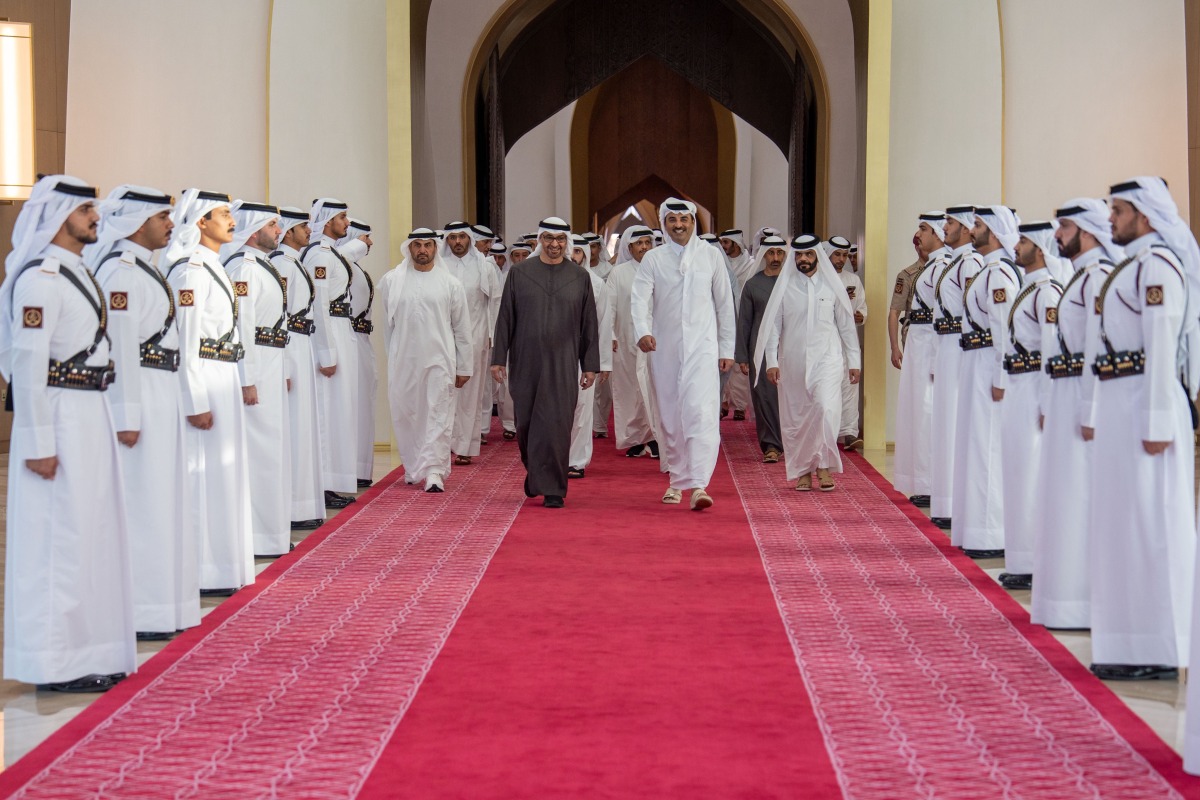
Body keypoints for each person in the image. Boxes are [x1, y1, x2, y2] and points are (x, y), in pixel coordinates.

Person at [0, 175, 135, 692]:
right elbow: (27, 365)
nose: (96, 217)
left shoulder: (77, 272)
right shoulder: (41, 280)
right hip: (57, 415)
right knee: (58, 538)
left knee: (88, 533)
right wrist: (38, 442)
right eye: (84, 210)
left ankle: (86, 650)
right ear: (57, 216)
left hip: (88, 411)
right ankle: (55, 663)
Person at [1088, 178, 1196, 682]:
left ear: (1145, 216)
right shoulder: (1131, 266)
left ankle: (1159, 645)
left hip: (1147, 407)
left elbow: (1160, 345)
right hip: (1122, 402)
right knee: (1125, 522)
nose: (1110, 218)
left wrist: (1156, 421)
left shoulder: (1158, 267)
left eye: (1119, 210)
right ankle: (1129, 640)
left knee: (1152, 524)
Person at [92, 185, 199, 639]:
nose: (171, 225)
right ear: (137, 222)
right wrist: (127, 415)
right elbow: (121, 348)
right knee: (143, 501)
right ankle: (140, 609)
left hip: (160, 390)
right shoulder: (121, 273)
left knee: (162, 500)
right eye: (162, 218)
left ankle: (162, 605)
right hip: (140, 397)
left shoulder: (143, 268)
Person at [1028, 199, 1121, 631]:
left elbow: (1098, 349)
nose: (1057, 235)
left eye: (1064, 226)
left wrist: (1090, 410)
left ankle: (1080, 600)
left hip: (1081, 399)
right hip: (1065, 395)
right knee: (1062, 495)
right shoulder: (1081, 276)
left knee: (1077, 497)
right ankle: (1064, 598)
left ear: (1086, 231)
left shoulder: (1098, 277)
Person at [163, 189, 254, 595]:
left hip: (224, 375)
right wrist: (194, 400)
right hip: (204, 378)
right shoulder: (190, 272)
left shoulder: (212, 266)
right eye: (223, 214)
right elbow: (185, 342)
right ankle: (201, 571)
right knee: (202, 476)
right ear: (201, 221)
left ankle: (223, 566)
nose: (232, 221)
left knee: (224, 475)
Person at [631, 199, 735, 510]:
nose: (678, 225)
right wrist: (642, 331)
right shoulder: (654, 258)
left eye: (684, 219)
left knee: (701, 413)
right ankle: (677, 481)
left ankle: (699, 484)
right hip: (664, 349)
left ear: (693, 222)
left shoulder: (711, 256)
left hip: (703, 349)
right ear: (664, 224)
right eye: (672, 219)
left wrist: (726, 348)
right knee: (671, 415)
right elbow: (639, 299)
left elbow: (725, 305)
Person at [491, 217, 600, 508]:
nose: (555, 244)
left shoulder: (579, 276)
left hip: (563, 361)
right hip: (525, 360)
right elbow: (505, 318)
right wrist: (499, 358)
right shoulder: (519, 273)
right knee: (526, 423)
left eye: (560, 239)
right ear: (540, 240)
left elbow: (589, 323)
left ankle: (553, 488)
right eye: (549, 238)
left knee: (557, 424)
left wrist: (590, 364)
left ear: (567, 242)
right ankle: (537, 472)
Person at [759, 235, 861, 490]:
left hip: (828, 360)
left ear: (817, 256)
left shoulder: (832, 285)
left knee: (825, 409)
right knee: (797, 419)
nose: (803, 259)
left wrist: (854, 361)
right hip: (792, 362)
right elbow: (773, 327)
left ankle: (823, 466)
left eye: (808, 254)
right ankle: (803, 470)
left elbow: (847, 326)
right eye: (799, 255)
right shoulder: (785, 287)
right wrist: (771, 361)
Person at [995, 221, 1064, 589]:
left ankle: (1035, 563)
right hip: (1019, 387)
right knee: (1018, 473)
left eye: (1023, 240)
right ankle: (1021, 558)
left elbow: (1052, 351)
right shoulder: (1029, 289)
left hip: (1034, 388)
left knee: (1030, 475)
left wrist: (1047, 403)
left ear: (1039, 248)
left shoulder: (1048, 293)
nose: (1016, 246)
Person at [222, 201, 292, 558]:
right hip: (257, 365)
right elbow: (242, 327)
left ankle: (272, 532)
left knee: (272, 449)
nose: (279, 231)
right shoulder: (243, 268)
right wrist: (246, 378)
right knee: (260, 451)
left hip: (271, 361)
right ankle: (257, 536)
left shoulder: (261, 265)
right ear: (253, 231)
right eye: (272, 225)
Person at [379, 229, 473, 492]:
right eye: (417, 245)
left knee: (438, 413)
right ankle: (413, 467)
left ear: (435, 248)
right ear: (409, 248)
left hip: (440, 360)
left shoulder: (450, 283)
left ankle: (434, 471)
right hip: (404, 360)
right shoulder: (392, 281)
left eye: (428, 245)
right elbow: (388, 327)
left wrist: (464, 366)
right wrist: (393, 360)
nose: (422, 250)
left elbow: (462, 329)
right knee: (407, 413)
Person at [952, 205, 1021, 558]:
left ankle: (991, 534)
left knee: (987, 448)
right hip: (975, 363)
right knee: (975, 446)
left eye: (978, 225)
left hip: (988, 367)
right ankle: (976, 530)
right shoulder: (987, 271)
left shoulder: (998, 275)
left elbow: (1004, 332)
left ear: (992, 232)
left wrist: (1000, 378)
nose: (972, 229)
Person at [929, 205, 985, 530]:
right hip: (947, 346)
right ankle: (946, 501)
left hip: (960, 347)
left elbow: (972, 312)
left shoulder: (971, 263)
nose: (945, 227)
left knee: (953, 423)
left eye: (950, 222)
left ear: (964, 228)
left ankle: (952, 502)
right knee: (945, 423)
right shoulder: (957, 262)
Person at [270, 207, 325, 530]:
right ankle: (293, 507)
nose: (309, 231)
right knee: (296, 428)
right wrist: (287, 365)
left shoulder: (293, 263)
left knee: (304, 427)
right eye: (304, 226)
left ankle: (304, 504)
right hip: (291, 347)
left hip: (302, 345)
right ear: (289, 231)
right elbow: (282, 316)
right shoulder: (281, 265)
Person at [303, 198, 358, 509]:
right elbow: (319, 306)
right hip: (329, 335)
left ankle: (333, 480)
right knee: (327, 410)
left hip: (340, 330)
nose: (347, 223)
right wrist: (326, 353)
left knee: (339, 409)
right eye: (343, 217)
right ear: (327, 221)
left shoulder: (331, 253)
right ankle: (323, 484)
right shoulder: (319, 255)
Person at [893, 214, 949, 506]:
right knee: (916, 414)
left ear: (937, 233)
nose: (919, 234)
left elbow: (945, 317)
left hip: (929, 347)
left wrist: (936, 361)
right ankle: (922, 481)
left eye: (924, 229)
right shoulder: (931, 268)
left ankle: (930, 484)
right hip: (918, 344)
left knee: (926, 414)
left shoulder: (943, 268)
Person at [442, 221, 500, 465]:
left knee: (471, 394)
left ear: (469, 239)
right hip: (443, 338)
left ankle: (465, 446)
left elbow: (495, 302)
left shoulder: (484, 266)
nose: (457, 242)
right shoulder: (439, 265)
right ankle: (444, 444)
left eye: (462, 237)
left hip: (476, 337)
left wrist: (493, 335)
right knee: (444, 392)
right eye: (452, 237)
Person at [606, 226, 660, 458]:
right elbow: (609, 307)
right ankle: (635, 438)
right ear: (629, 247)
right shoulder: (619, 273)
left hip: (657, 342)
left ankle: (657, 437)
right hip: (626, 340)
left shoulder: (659, 269)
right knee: (629, 390)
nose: (644, 247)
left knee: (655, 389)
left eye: (647, 242)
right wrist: (610, 335)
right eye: (639, 243)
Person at [735, 235, 787, 462]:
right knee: (764, 397)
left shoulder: (793, 282)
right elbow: (744, 322)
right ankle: (771, 446)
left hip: (790, 347)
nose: (775, 257)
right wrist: (743, 356)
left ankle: (793, 443)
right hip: (760, 348)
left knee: (790, 398)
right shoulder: (753, 285)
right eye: (771, 253)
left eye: (779, 253)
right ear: (764, 255)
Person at [568, 235, 614, 478]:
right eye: (570, 250)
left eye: (578, 251)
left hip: (584, 355)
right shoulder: (547, 280)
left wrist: (603, 362)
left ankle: (576, 461)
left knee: (583, 407)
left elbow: (604, 324)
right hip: (552, 355)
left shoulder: (596, 284)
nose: (573, 256)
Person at [337, 219, 377, 486]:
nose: (369, 243)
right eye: (364, 238)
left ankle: (360, 470)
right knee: (351, 407)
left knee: (363, 405)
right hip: (349, 340)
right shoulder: (341, 265)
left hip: (362, 341)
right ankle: (349, 470)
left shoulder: (355, 267)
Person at [827, 235, 866, 450]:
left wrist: (861, 315)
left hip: (848, 342)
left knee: (850, 387)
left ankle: (850, 433)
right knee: (828, 387)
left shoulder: (853, 280)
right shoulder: (820, 278)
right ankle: (828, 433)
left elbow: (861, 306)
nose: (841, 259)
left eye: (844, 255)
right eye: (837, 255)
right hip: (825, 343)